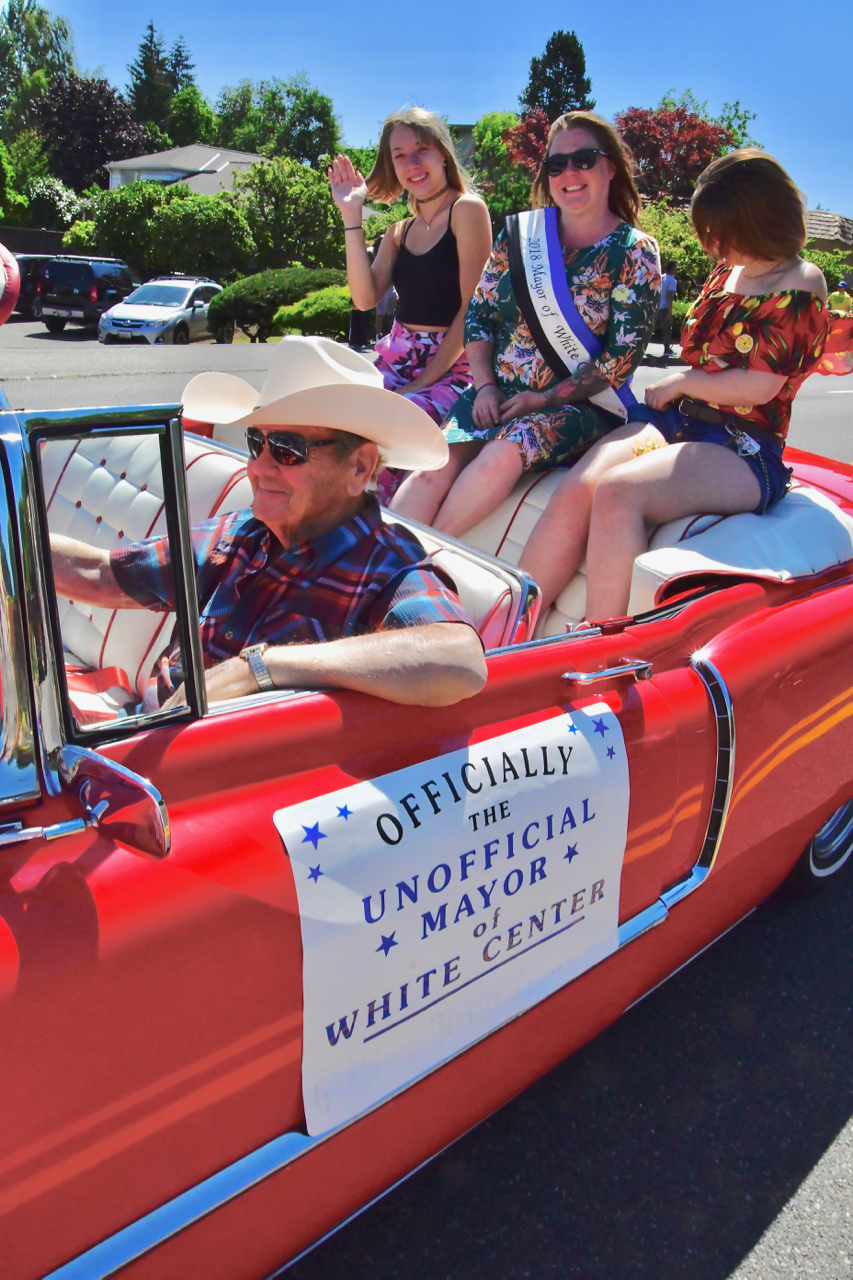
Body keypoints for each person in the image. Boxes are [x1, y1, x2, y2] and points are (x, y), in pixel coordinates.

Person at [49, 337, 487, 709]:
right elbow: (104, 575)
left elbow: (459, 659)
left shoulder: (389, 565)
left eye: (286, 449)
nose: (258, 468)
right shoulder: (243, 532)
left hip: (216, 785)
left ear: (359, 467)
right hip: (148, 734)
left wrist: (258, 668)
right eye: (256, 441)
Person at [516, 149, 830, 623]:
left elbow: (760, 388)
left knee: (621, 492)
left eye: (724, 232)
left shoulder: (802, 282)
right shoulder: (730, 270)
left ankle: (600, 654)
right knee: (581, 484)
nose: (714, 245)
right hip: (679, 421)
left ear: (762, 219)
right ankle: (508, 626)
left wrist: (684, 380)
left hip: (743, 445)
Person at [391, 111, 661, 536]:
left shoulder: (635, 251)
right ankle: (387, 565)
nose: (569, 173)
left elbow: (619, 360)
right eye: (556, 165)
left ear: (611, 166)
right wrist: (484, 388)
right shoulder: (520, 238)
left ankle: (424, 562)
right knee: (433, 463)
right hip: (495, 393)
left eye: (584, 159)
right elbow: (478, 315)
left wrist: (543, 400)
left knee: (499, 455)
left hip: (576, 406)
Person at [328, 108, 493, 435]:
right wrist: (351, 213)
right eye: (400, 156)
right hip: (396, 360)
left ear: (443, 154)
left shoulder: (467, 211)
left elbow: (472, 311)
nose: (413, 165)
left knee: (394, 430)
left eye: (422, 150)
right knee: (335, 423)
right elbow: (363, 299)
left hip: (453, 368)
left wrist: (418, 384)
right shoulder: (398, 232)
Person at [658, 260, 678, 355]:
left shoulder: (661, 278)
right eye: (676, 268)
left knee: (651, 328)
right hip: (665, 308)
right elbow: (670, 296)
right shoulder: (672, 280)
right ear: (672, 269)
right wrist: (670, 312)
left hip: (657, 306)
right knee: (667, 330)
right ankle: (667, 349)